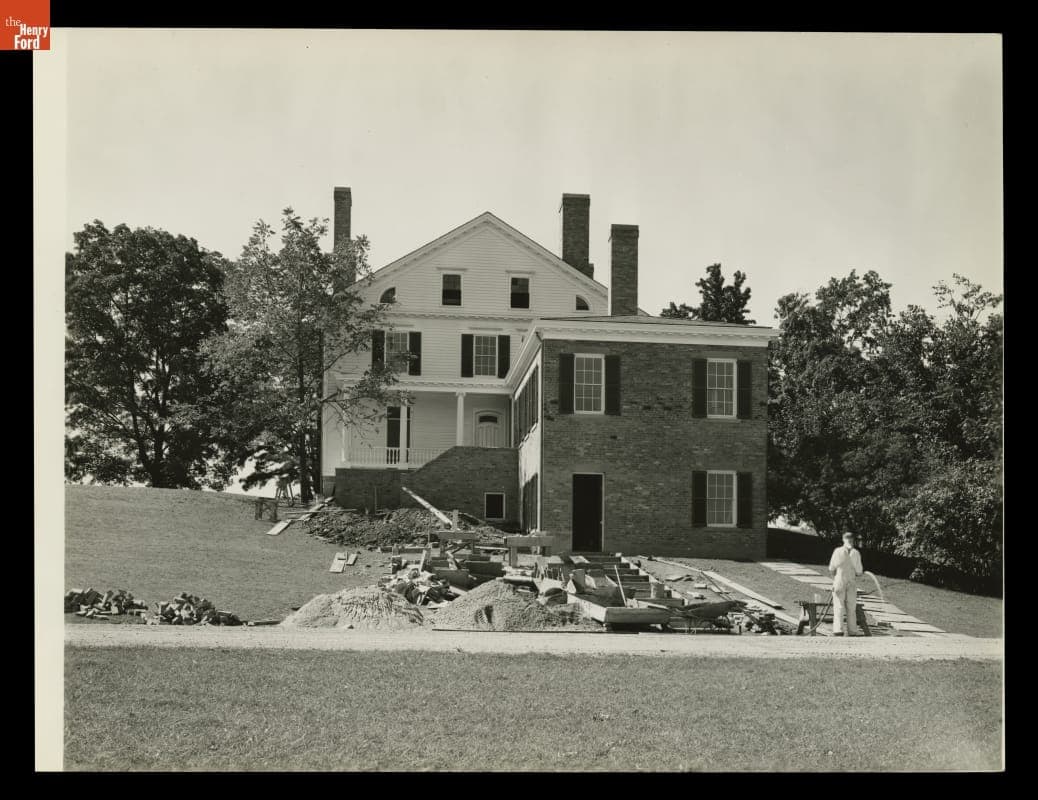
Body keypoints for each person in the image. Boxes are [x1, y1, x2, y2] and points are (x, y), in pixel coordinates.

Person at [829, 531, 864, 636]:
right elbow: (859, 571)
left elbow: (831, 568)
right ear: (853, 540)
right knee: (851, 607)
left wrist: (834, 581)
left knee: (839, 606)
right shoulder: (856, 553)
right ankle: (852, 631)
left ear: (843, 540)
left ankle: (838, 630)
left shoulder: (837, 551)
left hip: (839, 580)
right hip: (851, 582)